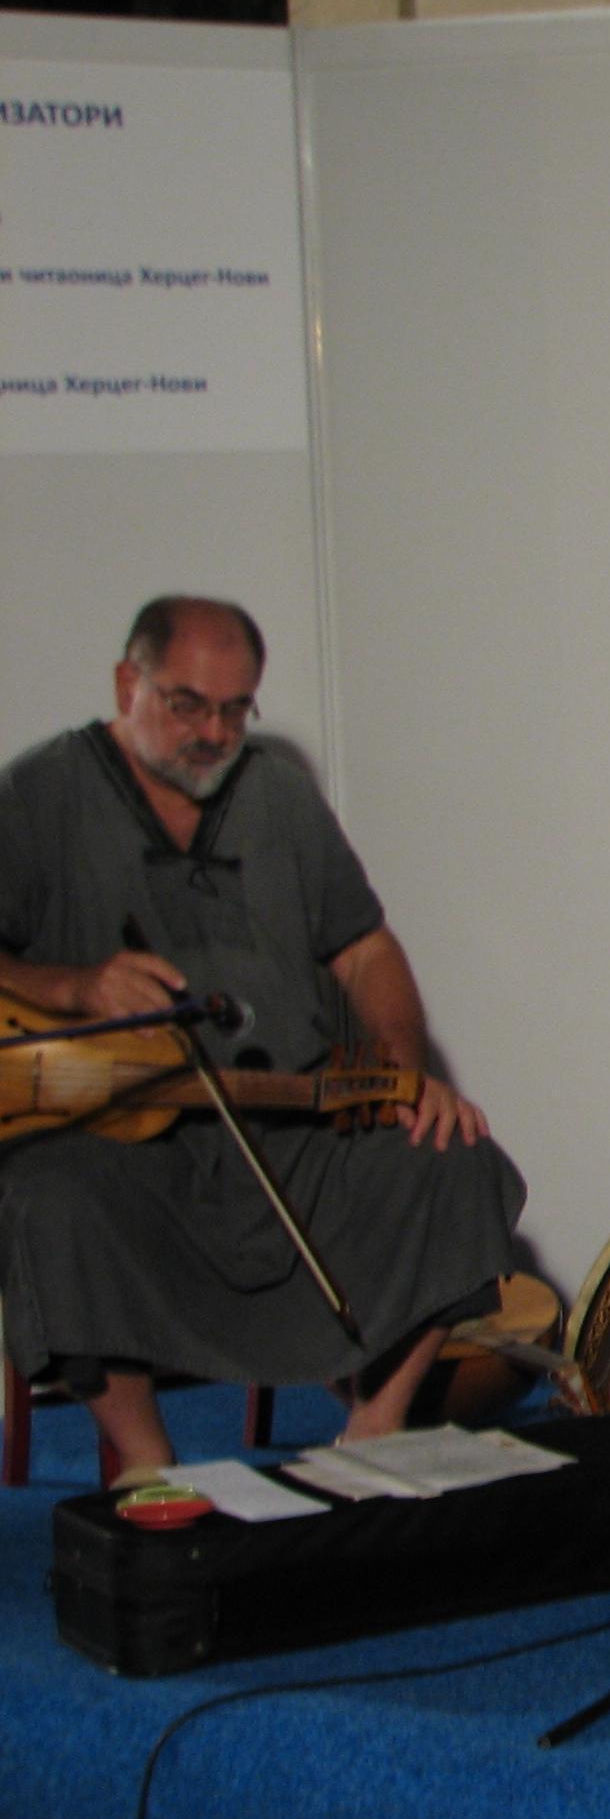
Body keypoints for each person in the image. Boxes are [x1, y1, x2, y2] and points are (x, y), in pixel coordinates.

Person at [0, 597, 525, 1479]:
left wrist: (402, 1070)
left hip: (292, 1126)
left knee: (455, 1160)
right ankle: (146, 1459)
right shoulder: (40, 792)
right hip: (121, 1143)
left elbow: (363, 948)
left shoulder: (277, 794)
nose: (214, 734)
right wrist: (75, 987)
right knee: (47, 1200)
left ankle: (376, 1427)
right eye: (187, 706)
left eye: (235, 710)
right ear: (128, 685)